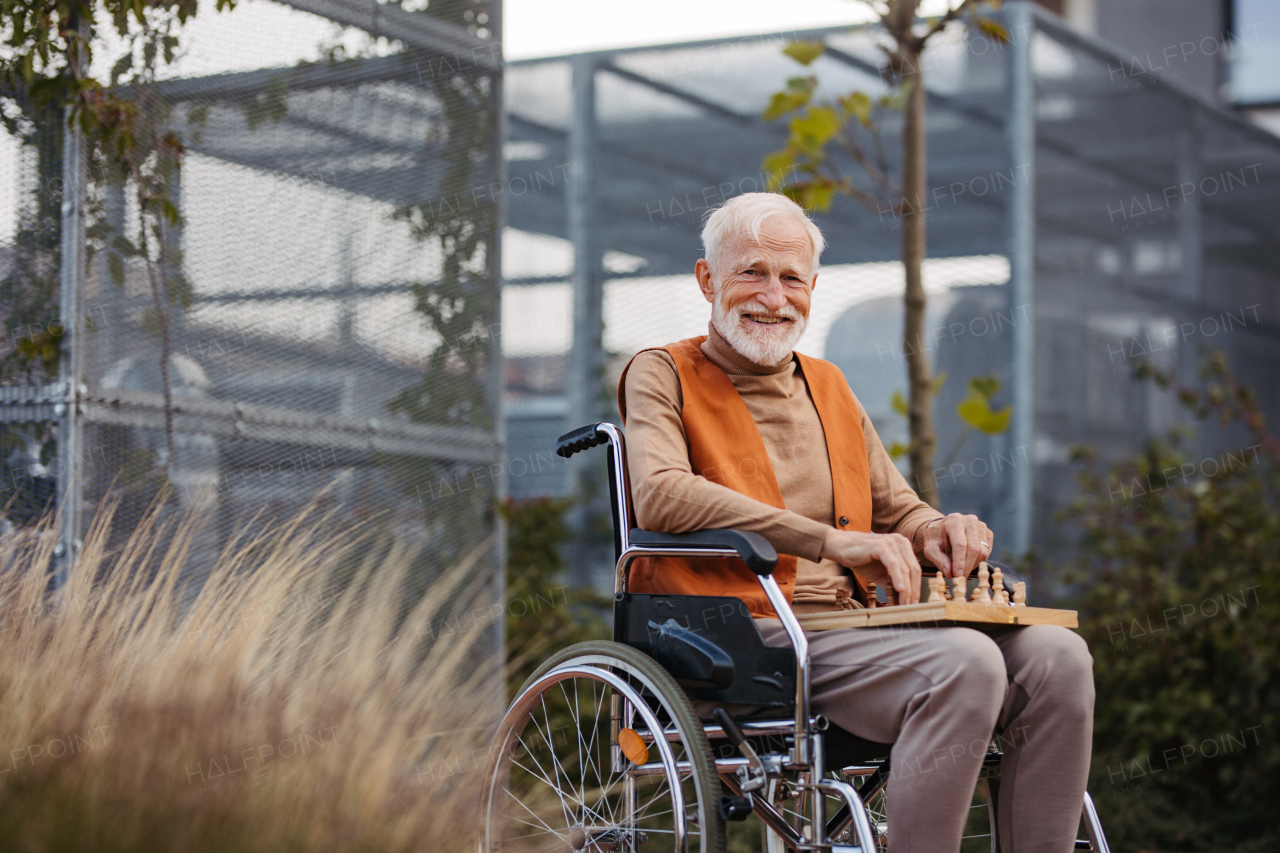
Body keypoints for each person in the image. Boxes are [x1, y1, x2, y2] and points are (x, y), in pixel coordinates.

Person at [618, 192, 1094, 853]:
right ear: (707, 279)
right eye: (752, 271)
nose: (773, 296)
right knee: (964, 662)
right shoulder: (661, 372)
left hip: (852, 628)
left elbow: (898, 508)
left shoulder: (830, 384)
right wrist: (827, 539)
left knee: (1059, 657)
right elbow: (662, 495)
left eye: (791, 278)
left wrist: (937, 530)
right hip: (741, 636)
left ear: (812, 287)